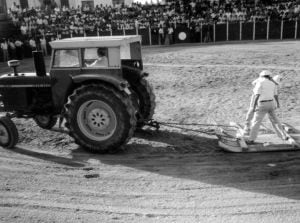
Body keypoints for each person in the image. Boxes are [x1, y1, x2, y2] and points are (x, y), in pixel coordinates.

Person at [246, 70, 288, 144]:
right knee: (275, 120)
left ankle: (251, 139)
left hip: (262, 104)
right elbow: (275, 95)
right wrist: (277, 104)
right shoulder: (272, 83)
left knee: (256, 122)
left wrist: (254, 106)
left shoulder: (260, 82)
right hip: (271, 103)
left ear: (261, 76)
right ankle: (283, 135)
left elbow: (257, 95)